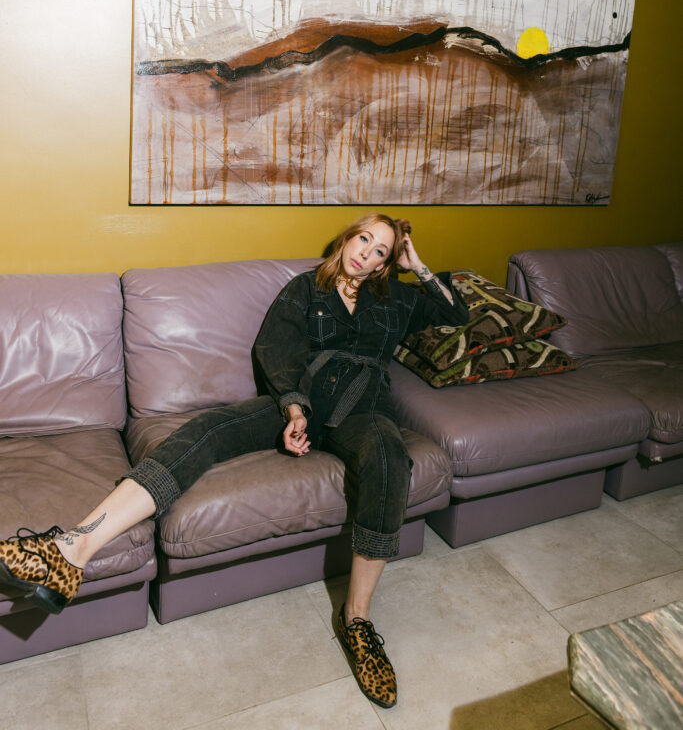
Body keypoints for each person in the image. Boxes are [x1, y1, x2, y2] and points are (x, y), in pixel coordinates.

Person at [0, 214, 466, 708]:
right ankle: (72, 549)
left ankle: (357, 619)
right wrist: (293, 409)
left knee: (389, 458)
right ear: (348, 238)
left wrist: (418, 265)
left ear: (385, 263)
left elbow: (455, 314)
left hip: (363, 408)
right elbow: (277, 350)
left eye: (380, 251)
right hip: (303, 400)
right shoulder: (305, 288)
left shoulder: (395, 299)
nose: (366, 253)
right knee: (207, 429)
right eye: (364, 239)